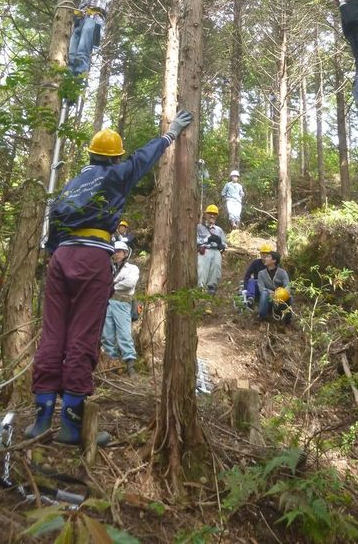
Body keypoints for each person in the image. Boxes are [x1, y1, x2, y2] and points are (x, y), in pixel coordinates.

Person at [25, 110, 193, 445]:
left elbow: (54, 227)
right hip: (91, 257)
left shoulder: (72, 184)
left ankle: (41, 420)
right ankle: (71, 426)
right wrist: (171, 133)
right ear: (114, 157)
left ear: (89, 154)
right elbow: (143, 159)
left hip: (61, 259)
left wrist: (55, 254)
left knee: (53, 334)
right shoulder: (114, 175)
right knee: (83, 336)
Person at [63, 0, 118, 78]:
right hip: (80, 20)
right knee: (71, 56)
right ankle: (68, 88)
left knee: (82, 53)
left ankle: (77, 83)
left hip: (94, 19)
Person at [101, 238, 139, 377]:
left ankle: (130, 366)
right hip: (108, 303)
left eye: (119, 252)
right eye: (115, 252)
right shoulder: (108, 268)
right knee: (107, 335)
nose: (117, 254)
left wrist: (111, 286)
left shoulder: (132, 268)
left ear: (125, 253)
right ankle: (113, 364)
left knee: (124, 334)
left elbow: (129, 283)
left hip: (123, 303)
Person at [197, 205, 227, 295]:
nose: (212, 216)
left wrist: (221, 244)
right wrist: (207, 239)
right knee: (202, 271)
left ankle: (211, 290)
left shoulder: (219, 230)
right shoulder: (199, 227)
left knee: (216, 270)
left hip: (216, 251)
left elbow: (224, 243)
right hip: (204, 250)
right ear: (206, 214)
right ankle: (200, 290)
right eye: (210, 213)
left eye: (214, 214)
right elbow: (194, 241)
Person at [257, 251, 292, 323]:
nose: (265, 258)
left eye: (268, 257)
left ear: (274, 260)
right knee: (264, 293)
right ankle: (262, 320)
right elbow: (261, 288)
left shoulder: (282, 272)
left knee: (290, 297)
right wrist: (272, 293)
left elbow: (287, 286)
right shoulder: (261, 273)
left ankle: (287, 322)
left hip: (280, 299)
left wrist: (280, 294)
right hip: (268, 298)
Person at [241, 243, 274, 308]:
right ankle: (250, 299)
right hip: (257, 285)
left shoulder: (273, 264)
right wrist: (245, 288)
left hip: (268, 287)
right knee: (251, 280)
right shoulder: (255, 263)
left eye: (266, 253)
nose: (264, 255)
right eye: (263, 253)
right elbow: (247, 276)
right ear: (260, 254)